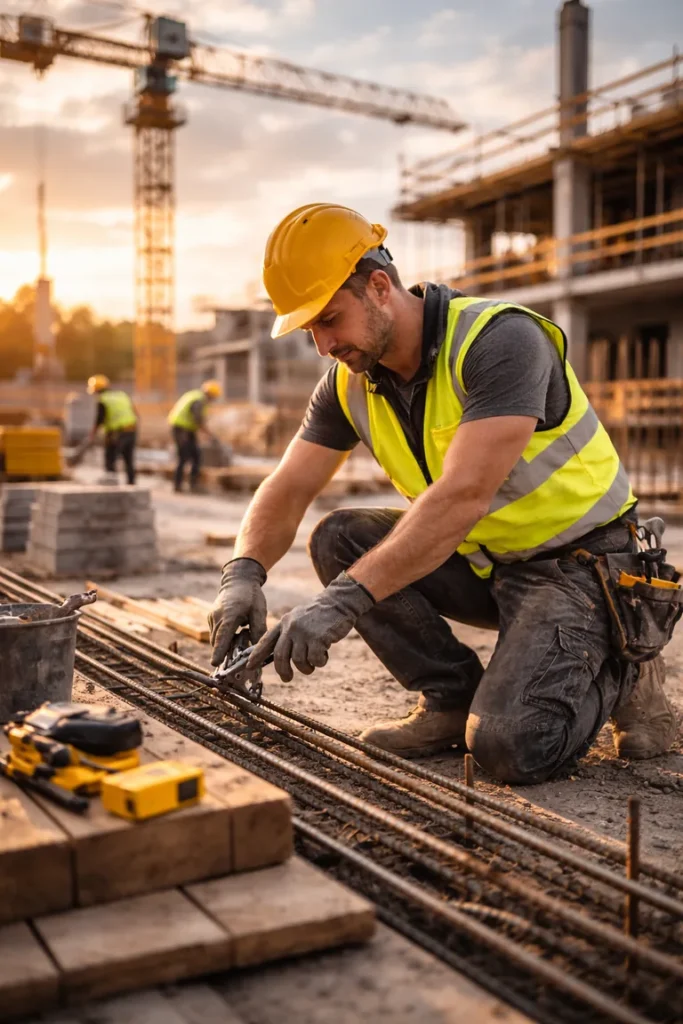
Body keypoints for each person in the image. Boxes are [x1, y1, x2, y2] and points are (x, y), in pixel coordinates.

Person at [207, 203, 678, 784]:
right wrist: (242, 574)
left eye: (329, 319)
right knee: (340, 537)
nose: (324, 345)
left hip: (583, 567)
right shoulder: (349, 384)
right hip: (489, 562)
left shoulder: (500, 341)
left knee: (510, 747)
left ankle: (627, 658)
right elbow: (288, 486)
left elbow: (462, 496)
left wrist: (340, 603)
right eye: (310, 331)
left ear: (379, 287)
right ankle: (451, 699)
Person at [167, 380, 223, 492]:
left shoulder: (196, 396)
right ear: (210, 394)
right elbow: (198, 419)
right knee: (183, 457)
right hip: (181, 429)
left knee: (196, 456)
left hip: (187, 429)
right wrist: (209, 435)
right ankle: (178, 485)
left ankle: (192, 485)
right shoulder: (199, 400)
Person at [85, 375, 138, 485]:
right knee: (129, 460)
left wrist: (93, 433)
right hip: (132, 430)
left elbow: (100, 419)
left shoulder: (103, 399)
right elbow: (134, 412)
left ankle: (111, 485)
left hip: (117, 433)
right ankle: (132, 485)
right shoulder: (122, 395)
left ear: (96, 390)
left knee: (110, 458)